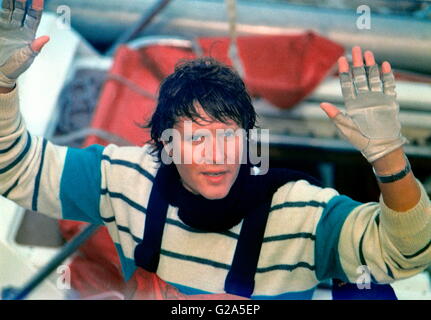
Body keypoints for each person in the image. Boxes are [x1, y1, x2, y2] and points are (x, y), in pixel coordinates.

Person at [0, 0, 430, 299]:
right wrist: (3, 84)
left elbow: (405, 254)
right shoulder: (124, 179)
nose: (217, 155)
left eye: (229, 135)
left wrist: (388, 157)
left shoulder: (304, 215)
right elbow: (17, 171)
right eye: (196, 138)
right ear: (165, 144)